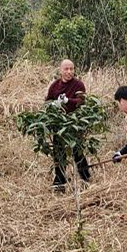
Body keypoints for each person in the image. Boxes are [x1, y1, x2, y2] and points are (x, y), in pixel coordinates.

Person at [46, 59, 90, 191]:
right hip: (59, 124)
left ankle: (85, 177)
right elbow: (47, 102)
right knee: (58, 152)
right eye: (66, 69)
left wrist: (68, 101)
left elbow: (81, 101)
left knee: (77, 151)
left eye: (71, 69)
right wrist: (54, 105)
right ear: (61, 70)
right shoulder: (54, 86)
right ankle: (60, 180)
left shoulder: (78, 84)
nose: (69, 72)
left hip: (75, 123)